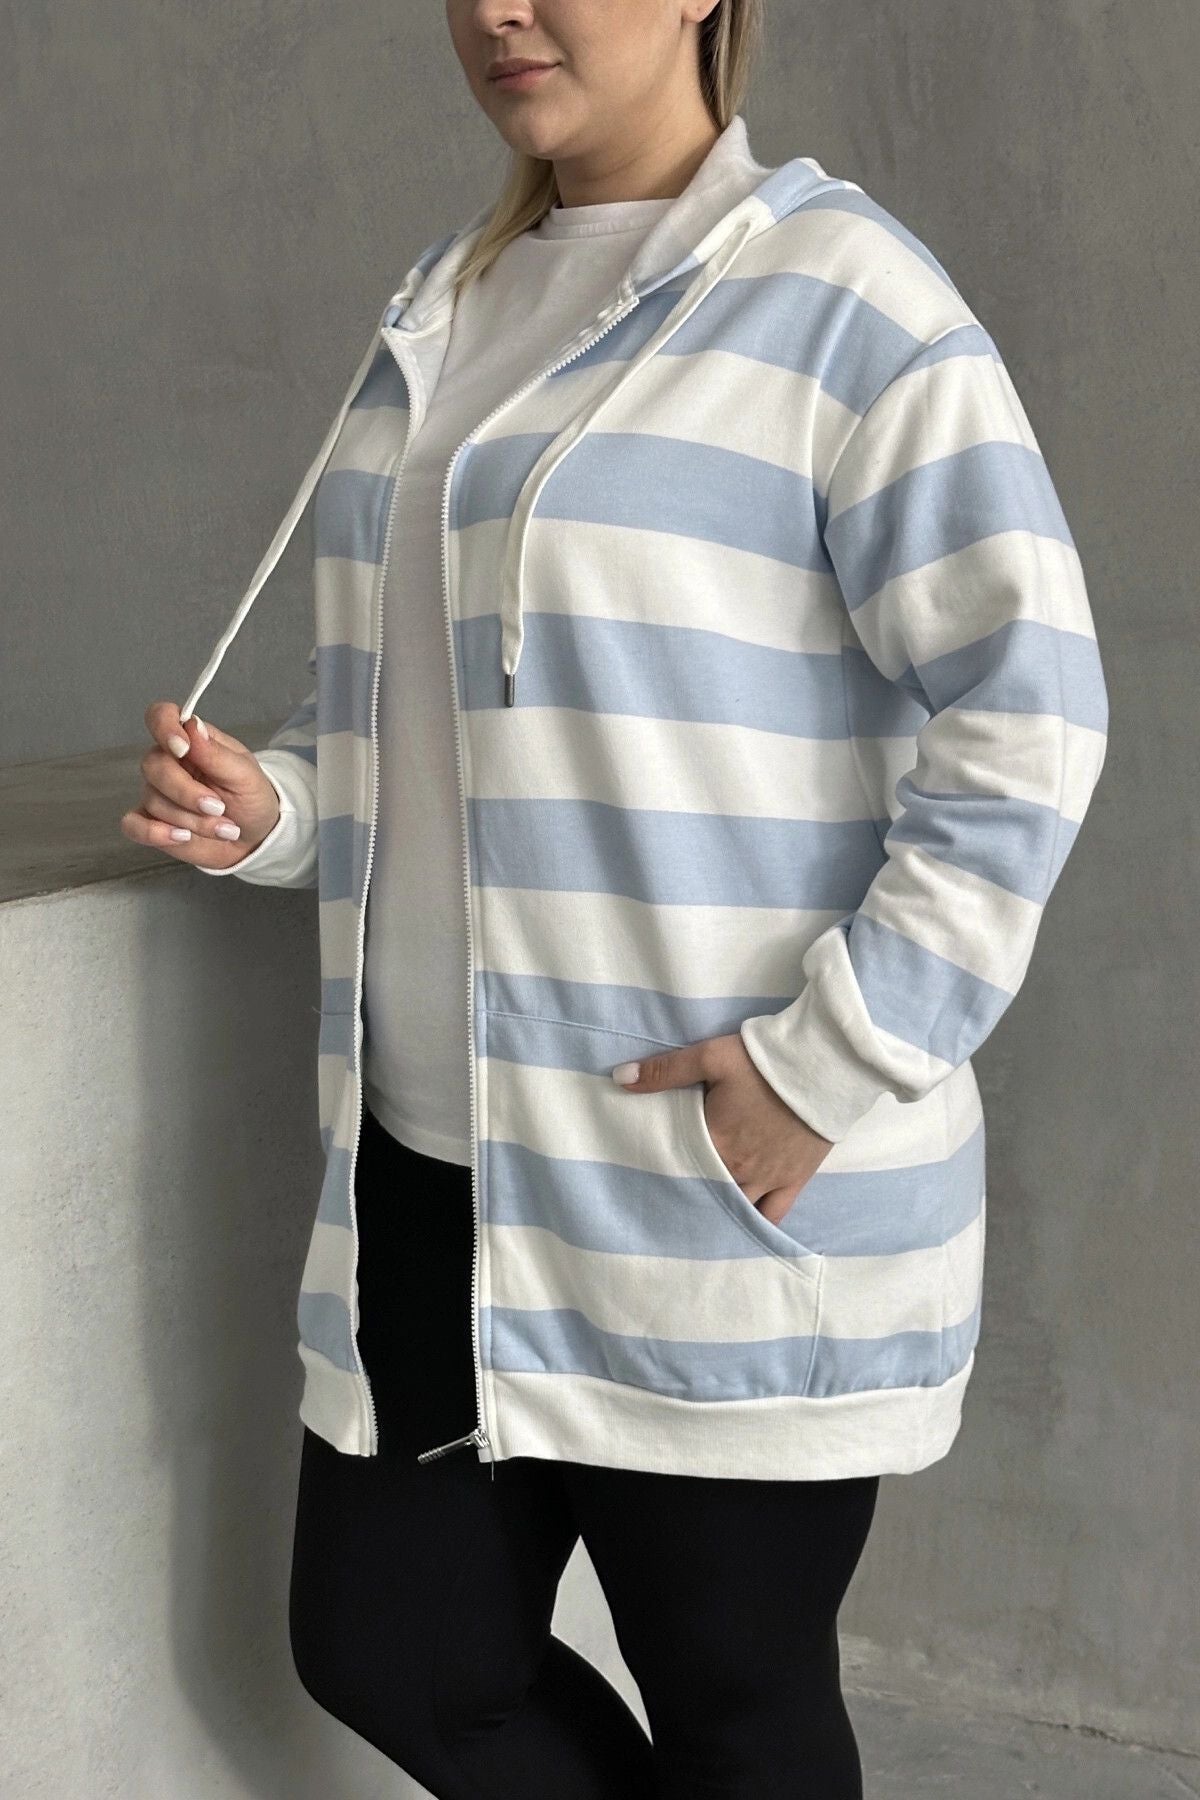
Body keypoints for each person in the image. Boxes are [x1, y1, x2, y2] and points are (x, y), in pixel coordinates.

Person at [121, 1, 1110, 1793]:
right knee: (390, 1650)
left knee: (738, 1716)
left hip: (705, 1180)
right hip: (430, 1166)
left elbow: (1030, 712)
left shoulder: (847, 298)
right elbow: (426, 720)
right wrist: (283, 807)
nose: (500, 8)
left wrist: (832, 1061)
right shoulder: (445, 303)